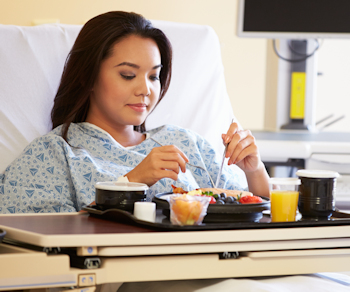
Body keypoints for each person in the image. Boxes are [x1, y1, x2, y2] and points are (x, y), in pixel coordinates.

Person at [0, 11, 269, 214]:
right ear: (88, 77)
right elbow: (40, 239)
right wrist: (129, 183)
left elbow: (255, 213)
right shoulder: (55, 153)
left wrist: (254, 170)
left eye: (154, 77)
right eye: (128, 75)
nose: (145, 89)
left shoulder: (186, 143)